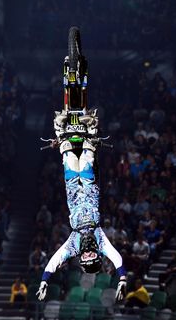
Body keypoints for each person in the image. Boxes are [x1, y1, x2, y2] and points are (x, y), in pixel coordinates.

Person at [36, 111, 126, 301]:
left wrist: (44, 280)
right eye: (91, 255)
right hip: (89, 188)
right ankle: (91, 128)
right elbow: (117, 258)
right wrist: (122, 279)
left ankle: (60, 131)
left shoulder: (73, 246)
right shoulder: (101, 240)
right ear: (97, 255)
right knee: (85, 159)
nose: (87, 252)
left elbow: (55, 260)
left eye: (84, 257)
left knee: (68, 155)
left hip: (73, 191)